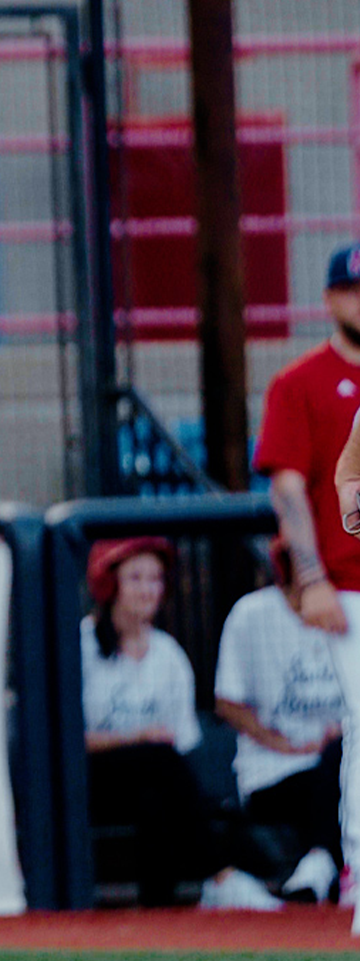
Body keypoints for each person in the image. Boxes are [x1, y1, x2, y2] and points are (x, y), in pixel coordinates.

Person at [79, 537, 279, 912]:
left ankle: (159, 917)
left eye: (155, 579)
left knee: (156, 795)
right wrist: (136, 738)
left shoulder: (169, 655)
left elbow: (183, 746)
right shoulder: (81, 645)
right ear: (109, 584)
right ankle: (220, 875)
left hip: (150, 783)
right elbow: (65, 741)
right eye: (135, 578)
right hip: (90, 781)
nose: (148, 589)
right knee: (158, 760)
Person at [214, 540, 350, 902]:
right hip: (273, 773)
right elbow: (227, 703)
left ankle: (320, 867)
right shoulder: (251, 613)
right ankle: (330, 867)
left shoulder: (351, 608)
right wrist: (282, 743)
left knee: (344, 751)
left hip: (342, 766)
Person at [254, 241, 360, 634]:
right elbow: (287, 487)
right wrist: (312, 579)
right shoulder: (298, 383)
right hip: (345, 592)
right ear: (329, 299)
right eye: (351, 290)